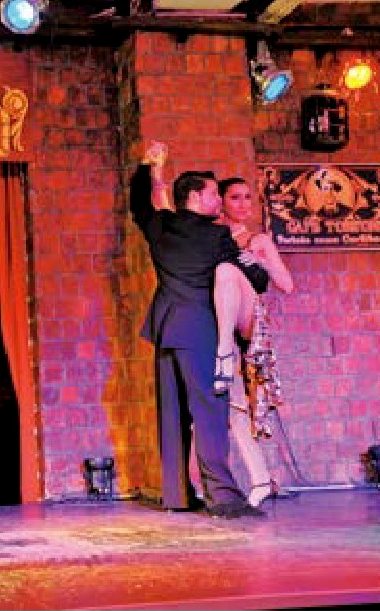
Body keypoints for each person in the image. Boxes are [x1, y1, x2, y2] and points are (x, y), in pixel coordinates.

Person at [131, 141, 267, 519]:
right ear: (193, 197)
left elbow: (139, 203)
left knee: (173, 414)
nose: (218, 201)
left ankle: (177, 494)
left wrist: (147, 166)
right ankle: (223, 497)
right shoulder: (216, 236)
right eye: (212, 194)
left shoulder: (161, 226)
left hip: (167, 331)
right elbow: (255, 280)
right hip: (200, 332)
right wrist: (255, 265)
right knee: (209, 414)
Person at [217, 176, 306, 507]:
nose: (243, 204)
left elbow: (287, 284)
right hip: (220, 324)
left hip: (249, 326)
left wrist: (262, 262)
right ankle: (258, 479)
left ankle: (262, 478)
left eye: (247, 198)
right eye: (235, 198)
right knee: (233, 404)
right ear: (221, 202)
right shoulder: (212, 237)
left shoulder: (258, 240)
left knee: (250, 401)